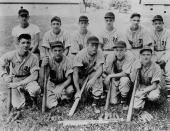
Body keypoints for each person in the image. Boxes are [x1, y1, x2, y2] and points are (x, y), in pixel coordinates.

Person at [0, 34, 41, 120]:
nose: (26, 45)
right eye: (23, 42)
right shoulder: (11, 55)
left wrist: (19, 84)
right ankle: (25, 96)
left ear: (30, 44)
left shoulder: (34, 57)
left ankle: (33, 99)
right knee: (18, 106)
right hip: (15, 79)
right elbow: (1, 64)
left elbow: (34, 75)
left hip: (28, 79)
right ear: (18, 43)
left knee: (36, 90)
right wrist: (4, 75)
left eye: (28, 42)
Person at [73, 36, 104, 114]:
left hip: (90, 73)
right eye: (92, 45)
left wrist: (93, 79)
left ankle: (95, 103)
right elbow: (75, 74)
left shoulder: (99, 52)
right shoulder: (80, 55)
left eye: (96, 45)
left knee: (97, 78)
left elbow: (100, 69)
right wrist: (78, 90)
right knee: (82, 100)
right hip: (81, 76)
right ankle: (86, 94)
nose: (94, 47)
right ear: (87, 45)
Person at [130, 46, 162, 122]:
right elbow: (132, 80)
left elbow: (154, 85)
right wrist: (135, 69)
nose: (146, 57)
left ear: (151, 55)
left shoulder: (156, 67)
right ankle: (143, 108)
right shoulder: (136, 64)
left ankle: (149, 102)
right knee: (135, 107)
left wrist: (142, 92)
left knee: (153, 96)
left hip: (152, 87)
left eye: (148, 54)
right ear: (140, 56)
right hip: (141, 86)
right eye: (143, 55)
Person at [41, 41, 74, 109]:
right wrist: (42, 66)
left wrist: (61, 87)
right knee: (50, 105)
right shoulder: (48, 60)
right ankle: (57, 99)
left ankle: (64, 99)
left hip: (64, 83)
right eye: (55, 51)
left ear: (63, 50)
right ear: (52, 51)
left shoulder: (68, 61)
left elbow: (69, 79)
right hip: (52, 84)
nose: (57, 53)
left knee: (70, 90)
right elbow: (42, 78)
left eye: (59, 50)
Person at [104, 41, 135, 106]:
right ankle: (114, 94)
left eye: (121, 50)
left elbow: (125, 73)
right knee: (113, 102)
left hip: (127, 78)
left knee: (124, 80)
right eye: (117, 50)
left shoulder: (130, 56)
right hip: (115, 78)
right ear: (114, 50)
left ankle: (124, 98)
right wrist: (110, 76)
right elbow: (107, 71)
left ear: (125, 50)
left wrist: (110, 76)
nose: (119, 53)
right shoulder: (110, 56)